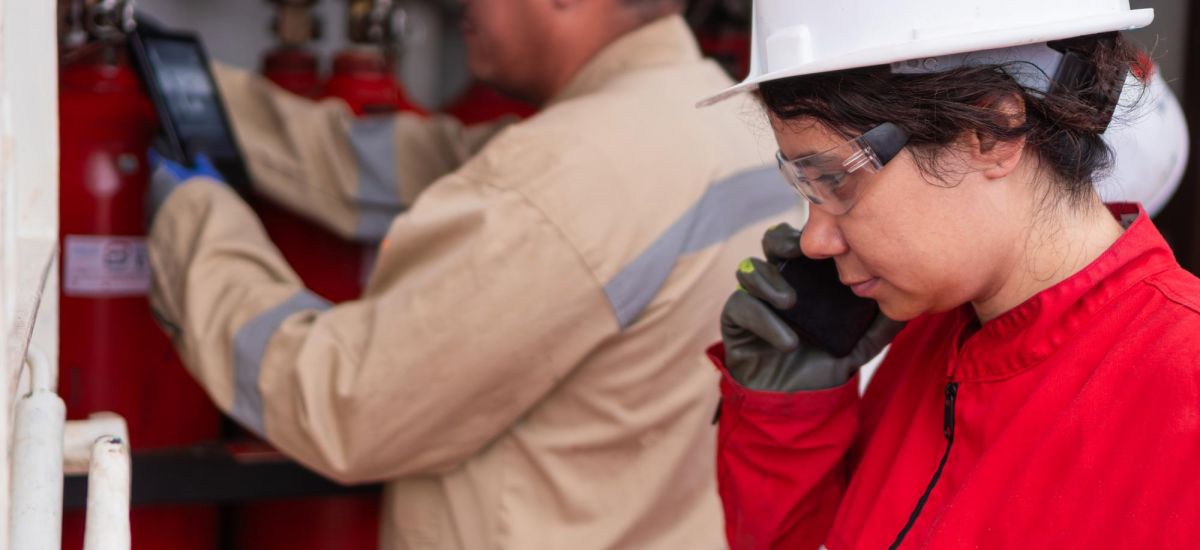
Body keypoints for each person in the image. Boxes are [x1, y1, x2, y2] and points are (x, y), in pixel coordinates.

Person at [144, 1, 803, 548]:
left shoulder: (562, 174)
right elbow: (440, 167)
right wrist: (202, 95)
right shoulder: (727, 118)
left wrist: (192, 220)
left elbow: (344, 400)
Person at [701, 0, 1200, 548]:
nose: (816, 240)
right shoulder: (929, 337)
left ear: (993, 129)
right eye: (805, 188)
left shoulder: (1183, 396)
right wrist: (786, 424)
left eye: (835, 181)